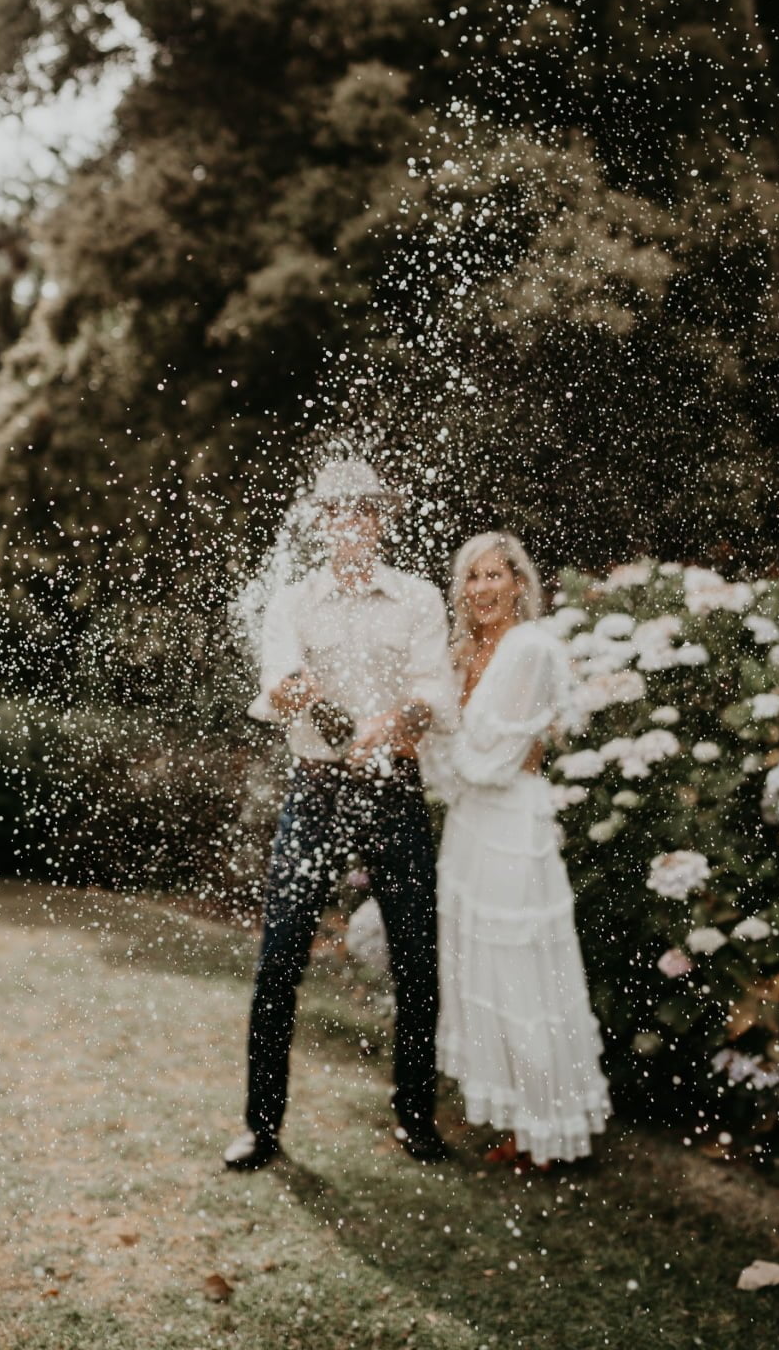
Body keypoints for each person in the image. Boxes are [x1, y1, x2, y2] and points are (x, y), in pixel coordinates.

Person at [223, 458, 458, 1170]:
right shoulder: (293, 602)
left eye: (363, 510)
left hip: (395, 789)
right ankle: (261, 1128)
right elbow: (277, 685)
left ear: (381, 521)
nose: (350, 522)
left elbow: (432, 695)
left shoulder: (418, 598)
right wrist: (318, 705)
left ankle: (416, 1118)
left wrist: (390, 723)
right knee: (279, 960)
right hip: (316, 790)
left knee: (417, 960)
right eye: (337, 511)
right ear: (321, 522)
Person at [424, 532, 610, 1169]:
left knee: (525, 973)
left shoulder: (531, 649)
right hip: (469, 827)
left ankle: (552, 1130)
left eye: (494, 576)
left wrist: (439, 742)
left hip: (512, 824)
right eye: (471, 577)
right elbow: (444, 766)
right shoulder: (459, 655)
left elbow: (493, 761)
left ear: (519, 584)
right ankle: (521, 1122)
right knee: (483, 972)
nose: (482, 589)